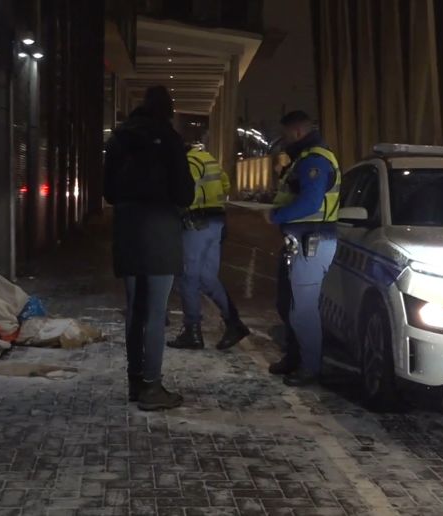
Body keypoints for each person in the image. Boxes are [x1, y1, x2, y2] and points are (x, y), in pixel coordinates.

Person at [103, 85, 194, 411]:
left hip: (127, 229)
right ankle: (152, 387)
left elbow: (109, 192)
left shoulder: (118, 139)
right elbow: (185, 194)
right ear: (168, 110)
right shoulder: (169, 140)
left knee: (134, 311)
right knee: (156, 313)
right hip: (160, 231)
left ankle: (135, 382)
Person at [265, 110, 341, 387]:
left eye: (285, 134)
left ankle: (310, 367)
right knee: (286, 303)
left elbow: (310, 203)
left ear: (297, 132)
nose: (284, 140)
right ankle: (295, 357)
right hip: (299, 241)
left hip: (313, 240)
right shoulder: (303, 159)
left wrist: (275, 216)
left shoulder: (316, 161)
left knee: (303, 309)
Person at [168, 144, 250, 350]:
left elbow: (184, 193)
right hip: (216, 222)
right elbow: (224, 185)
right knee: (207, 278)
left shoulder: (188, 162)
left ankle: (192, 332)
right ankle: (234, 323)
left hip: (197, 223)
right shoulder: (209, 159)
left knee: (188, 278)